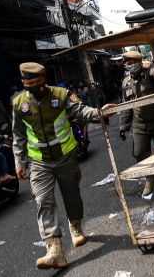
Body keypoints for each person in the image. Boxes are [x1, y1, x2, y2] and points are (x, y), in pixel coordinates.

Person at [12, 62, 115, 270]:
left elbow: (80, 110)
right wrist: (20, 162)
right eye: (27, 83)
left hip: (66, 156)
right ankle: (55, 250)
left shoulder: (61, 94)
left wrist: (98, 113)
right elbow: (18, 135)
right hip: (39, 161)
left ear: (43, 81)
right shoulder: (18, 103)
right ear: (23, 83)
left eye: (35, 83)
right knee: (43, 200)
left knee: (72, 196)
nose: (31, 87)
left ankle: (75, 226)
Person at [119, 51, 154, 196]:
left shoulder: (150, 73)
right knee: (139, 152)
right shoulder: (125, 82)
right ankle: (150, 178)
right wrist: (124, 127)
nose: (128, 66)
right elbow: (127, 105)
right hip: (140, 123)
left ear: (139, 62)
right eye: (127, 64)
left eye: (131, 63)